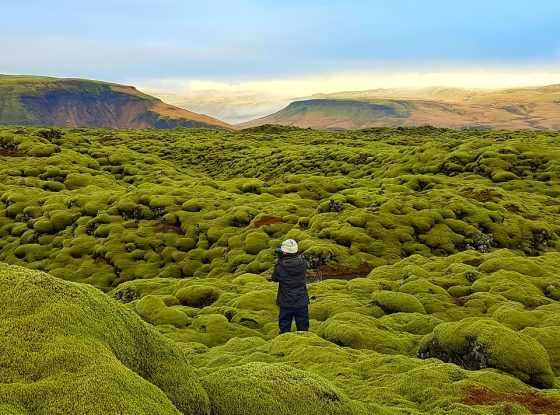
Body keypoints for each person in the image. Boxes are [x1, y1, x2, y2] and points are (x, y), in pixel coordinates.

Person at [271, 239, 309, 334]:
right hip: (301, 300)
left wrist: (280, 259)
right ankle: (304, 343)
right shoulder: (303, 263)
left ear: (284, 251)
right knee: (303, 327)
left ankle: (284, 343)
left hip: (285, 301)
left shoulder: (280, 266)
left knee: (284, 326)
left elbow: (274, 278)